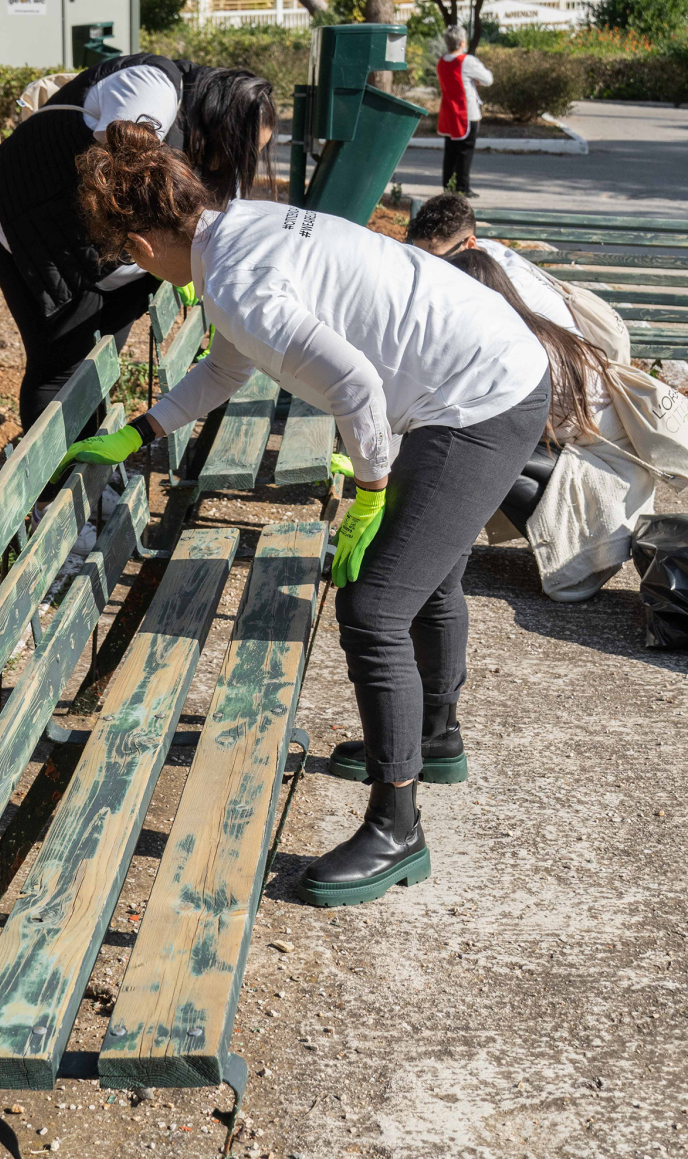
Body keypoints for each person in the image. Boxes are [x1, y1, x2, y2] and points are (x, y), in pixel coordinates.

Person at [53, 120, 552, 909]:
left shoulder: (238, 282)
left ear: (141, 249)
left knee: (374, 603)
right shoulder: (238, 229)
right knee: (428, 571)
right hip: (490, 367)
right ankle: (435, 738)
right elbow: (228, 360)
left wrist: (372, 493)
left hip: (480, 399)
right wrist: (142, 431)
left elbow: (354, 387)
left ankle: (397, 829)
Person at [0, 55, 277, 533]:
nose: (228, 165)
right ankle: (52, 510)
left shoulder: (207, 142)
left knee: (99, 362)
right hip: (38, 227)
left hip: (123, 254)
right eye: (231, 150)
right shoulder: (152, 90)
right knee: (60, 366)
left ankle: (88, 480)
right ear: (216, 118)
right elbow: (124, 176)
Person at [449, 248, 656, 601]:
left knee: (480, 455)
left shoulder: (523, 350)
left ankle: (578, 552)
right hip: (612, 473)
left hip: (614, 493)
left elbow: (505, 429)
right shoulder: (538, 327)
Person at [408, 193, 631, 362]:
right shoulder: (482, 255)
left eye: (438, 259)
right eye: (419, 257)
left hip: (566, 378)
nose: (429, 269)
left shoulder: (504, 284)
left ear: (470, 244)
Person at [436, 26, 493, 198]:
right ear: (462, 42)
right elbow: (488, 79)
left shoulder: (442, 62)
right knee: (465, 152)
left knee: (450, 152)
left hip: (448, 112)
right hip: (467, 113)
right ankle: (462, 187)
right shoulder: (467, 61)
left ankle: (448, 187)